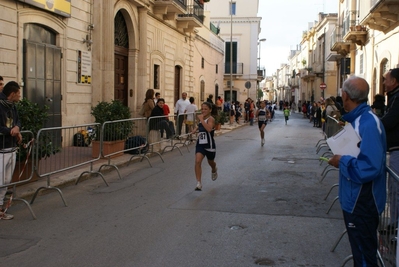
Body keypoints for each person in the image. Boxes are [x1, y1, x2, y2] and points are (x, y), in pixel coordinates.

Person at [327, 76, 386, 267]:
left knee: (363, 257)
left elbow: (370, 167)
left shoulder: (368, 123)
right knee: (360, 254)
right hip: (355, 200)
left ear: (345, 95)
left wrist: (341, 161)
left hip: (363, 202)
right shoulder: (359, 120)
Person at [0, 81, 22, 220]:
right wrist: (10, 131)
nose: (20, 97)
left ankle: (1, 208)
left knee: (6, 181)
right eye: (18, 94)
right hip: (1, 148)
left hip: (11, 147)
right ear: (12, 94)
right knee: (0, 180)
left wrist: (17, 128)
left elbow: (18, 121)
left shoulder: (12, 107)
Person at [381, 68, 399, 232]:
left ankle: (395, 225)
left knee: (395, 188)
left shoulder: (397, 98)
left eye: (386, 79)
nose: (384, 82)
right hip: (394, 149)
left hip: (397, 150)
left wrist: (373, 125)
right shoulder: (394, 97)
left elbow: (390, 121)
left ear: (394, 81)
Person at [190, 102, 218, 191]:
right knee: (197, 161)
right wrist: (195, 129)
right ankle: (199, 183)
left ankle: (214, 169)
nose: (203, 110)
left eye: (205, 109)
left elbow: (209, 129)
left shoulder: (211, 119)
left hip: (209, 145)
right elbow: (200, 126)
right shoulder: (201, 119)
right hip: (200, 144)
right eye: (202, 109)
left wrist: (201, 119)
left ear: (210, 110)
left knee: (211, 162)